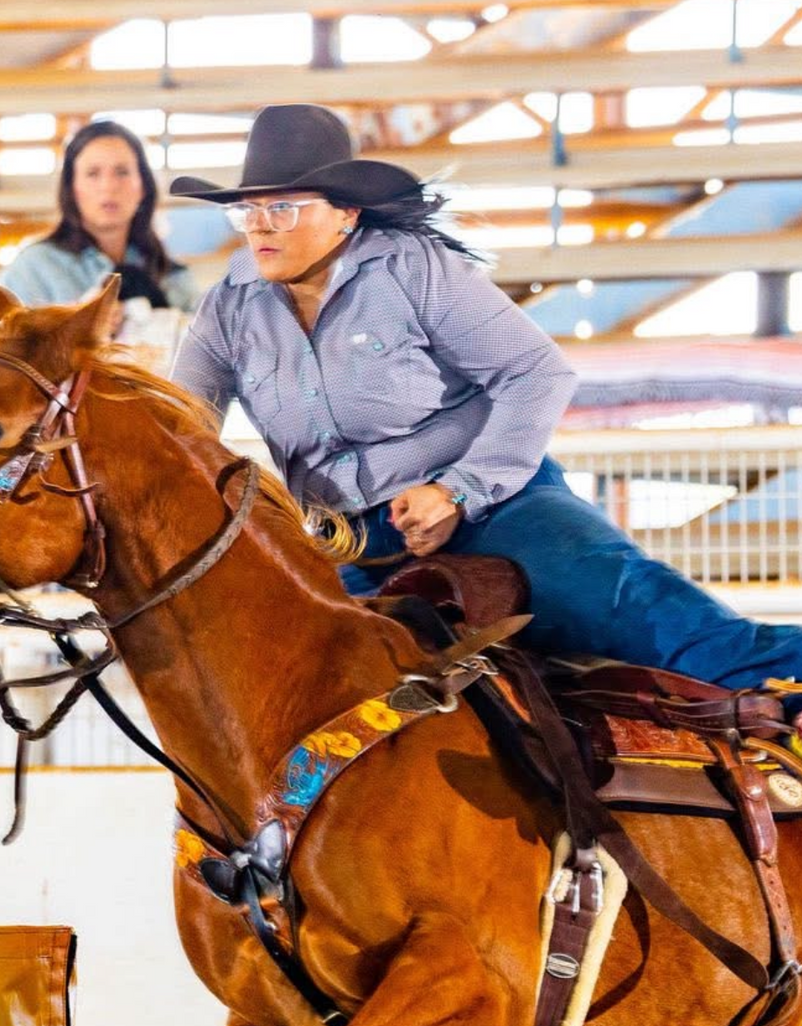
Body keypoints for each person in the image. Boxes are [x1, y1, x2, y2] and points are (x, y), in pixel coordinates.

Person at [170, 103, 802, 692]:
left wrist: (456, 492)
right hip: (351, 540)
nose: (259, 226)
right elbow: (180, 426)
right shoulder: (228, 308)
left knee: (663, 623)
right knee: (292, 682)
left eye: (283, 208)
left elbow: (536, 373)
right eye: (247, 210)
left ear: (346, 213)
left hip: (498, 507)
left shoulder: (412, 269)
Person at [0, 119, 197, 315]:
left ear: (144, 186)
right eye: (92, 173)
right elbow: (0, 334)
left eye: (122, 172)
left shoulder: (173, 275)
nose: (108, 186)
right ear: (71, 188)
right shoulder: (32, 269)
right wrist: (74, 326)